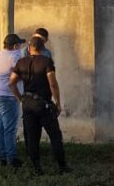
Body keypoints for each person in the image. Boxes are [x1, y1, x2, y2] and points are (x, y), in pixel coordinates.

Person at [8, 34, 69, 174]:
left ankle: (36, 168)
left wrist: (20, 98)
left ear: (29, 48)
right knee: (55, 136)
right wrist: (58, 103)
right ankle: (62, 167)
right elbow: (52, 83)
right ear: (42, 48)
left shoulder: (21, 62)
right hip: (43, 104)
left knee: (32, 137)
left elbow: (11, 83)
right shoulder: (47, 62)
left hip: (27, 104)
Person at [0, 33, 24, 167]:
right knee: (10, 129)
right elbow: (19, 75)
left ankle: (2, 156)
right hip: (9, 96)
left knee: (1, 127)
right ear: (15, 46)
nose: (20, 47)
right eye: (19, 45)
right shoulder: (15, 56)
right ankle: (12, 159)